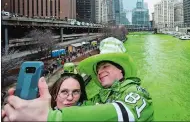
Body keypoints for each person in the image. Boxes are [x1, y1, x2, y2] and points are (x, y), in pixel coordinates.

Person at [2, 38, 154, 122]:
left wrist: (50, 117)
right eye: (97, 69)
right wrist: (33, 107)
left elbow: (125, 112)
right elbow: (76, 106)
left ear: (120, 69)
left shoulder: (137, 93)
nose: (100, 72)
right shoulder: (99, 98)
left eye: (105, 66)